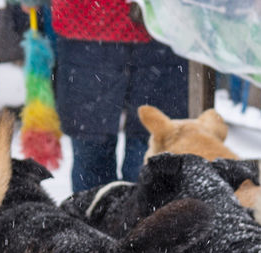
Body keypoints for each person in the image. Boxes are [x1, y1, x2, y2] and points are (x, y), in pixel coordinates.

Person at [31, 0, 188, 192]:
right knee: (145, 146)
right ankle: (125, 213)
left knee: (149, 145)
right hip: (106, 25)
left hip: (108, 25)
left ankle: (108, 213)